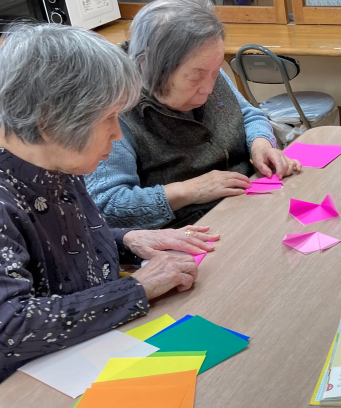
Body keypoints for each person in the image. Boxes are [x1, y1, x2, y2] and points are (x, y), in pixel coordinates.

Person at [0, 24, 220, 382]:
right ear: (48, 120)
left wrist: (127, 240)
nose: (117, 134)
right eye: (107, 118)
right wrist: (137, 288)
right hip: (32, 389)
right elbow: (10, 329)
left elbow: (67, 245)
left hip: (92, 347)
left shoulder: (56, 158)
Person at [86, 0, 301, 229]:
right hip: (190, 230)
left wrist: (260, 145)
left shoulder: (205, 64)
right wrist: (189, 190)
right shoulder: (114, 109)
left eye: (215, 72)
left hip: (247, 202)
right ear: (148, 65)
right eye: (196, 77)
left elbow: (248, 115)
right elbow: (108, 206)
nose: (208, 88)